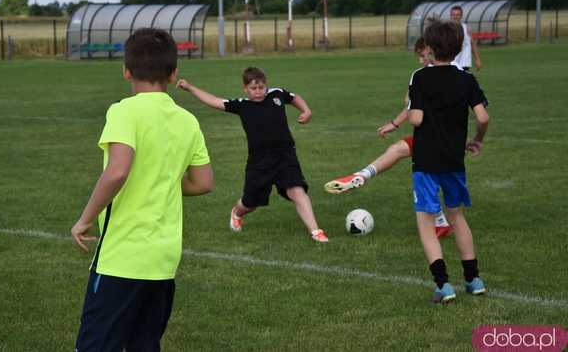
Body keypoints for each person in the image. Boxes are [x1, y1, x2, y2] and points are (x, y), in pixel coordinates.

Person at [71, 28, 214, 351]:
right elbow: (204, 183)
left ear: (126, 71)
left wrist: (84, 219)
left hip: (122, 257)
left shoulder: (124, 111)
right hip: (163, 260)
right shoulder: (188, 120)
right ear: (173, 72)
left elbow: (118, 171)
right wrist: (162, 181)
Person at [176, 67, 329, 243]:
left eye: (261, 87)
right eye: (253, 88)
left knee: (297, 190)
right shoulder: (242, 105)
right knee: (251, 202)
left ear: (266, 85)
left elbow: (294, 98)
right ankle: (237, 212)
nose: (258, 92)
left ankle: (315, 231)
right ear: (245, 89)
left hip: (285, 155)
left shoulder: (276, 94)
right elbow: (214, 101)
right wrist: (190, 88)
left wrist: (306, 111)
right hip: (259, 162)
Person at [324, 38, 454, 238]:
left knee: (424, 181)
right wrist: (394, 124)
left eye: (422, 55)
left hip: (441, 138)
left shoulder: (438, 75)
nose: (420, 60)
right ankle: (361, 175)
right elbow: (411, 104)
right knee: (398, 150)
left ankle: (439, 223)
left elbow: (412, 106)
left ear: (432, 50)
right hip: (433, 136)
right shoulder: (429, 74)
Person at [407, 19, 489, 304]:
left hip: (426, 160)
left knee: (426, 221)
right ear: (458, 48)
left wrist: (411, 112)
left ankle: (443, 285)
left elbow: (416, 118)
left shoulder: (420, 77)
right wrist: (477, 139)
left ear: (429, 47)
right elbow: (483, 118)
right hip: (455, 159)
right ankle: (473, 279)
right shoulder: (467, 79)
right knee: (456, 216)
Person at [450, 5, 482, 71]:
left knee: (464, 80)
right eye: (453, 14)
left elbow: (472, 44)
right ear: (450, 15)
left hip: (464, 62)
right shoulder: (447, 29)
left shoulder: (466, 28)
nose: (455, 17)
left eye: (458, 15)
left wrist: (477, 59)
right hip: (451, 63)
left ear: (461, 16)